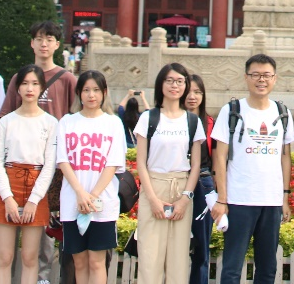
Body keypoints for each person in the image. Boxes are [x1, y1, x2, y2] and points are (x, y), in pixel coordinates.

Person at [0, 20, 78, 284]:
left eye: (49, 39)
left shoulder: (67, 79)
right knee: (8, 247)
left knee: (43, 235)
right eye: (39, 39)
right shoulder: (18, 78)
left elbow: (75, 120)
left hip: (51, 167)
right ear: (32, 43)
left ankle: (41, 279)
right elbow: (4, 116)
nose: (44, 44)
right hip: (16, 166)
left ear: (57, 44)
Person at [211, 54, 294, 284]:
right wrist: (222, 199)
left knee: (267, 268)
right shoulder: (232, 110)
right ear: (246, 77)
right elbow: (220, 156)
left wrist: (284, 197)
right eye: (255, 75)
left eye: (267, 75)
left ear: (275, 78)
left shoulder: (282, 112)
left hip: (271, 201)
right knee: (232, 267)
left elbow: (285, 157)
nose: (261, 80)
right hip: (239, 199)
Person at [135, 63, 205, 284]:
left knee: (178, 261)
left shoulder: (192, 121)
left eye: (180, 81)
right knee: (149, 258)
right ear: (161, 84)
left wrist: (185, 199)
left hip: (181, 188)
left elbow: (195, 165)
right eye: (170, 80)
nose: (175, 85)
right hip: (154, 186)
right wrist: (153, 199)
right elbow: (141, 162)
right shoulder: (149, 118)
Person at [0, 65, 58, 284]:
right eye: (25, 83)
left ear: (42, 88)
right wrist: (7, 198)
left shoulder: (51, 123)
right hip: (8, 186)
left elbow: (49, 165)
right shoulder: (6, 121)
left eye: (35, 84)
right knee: (4, 256)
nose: (30, 88)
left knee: (30, 256)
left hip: (36, 188)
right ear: (17, 88)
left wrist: (34, 200)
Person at [57, 71, 125, 284]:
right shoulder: (67, 122)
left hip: (102, 203)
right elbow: (63, 161)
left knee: (97, 261)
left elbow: (113, 163)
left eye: (96, 90)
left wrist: (92, 196)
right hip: (73, 201)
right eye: (86, 90)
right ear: (79, 93)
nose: (91, 95)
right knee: (79, 262)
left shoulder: (113, 123)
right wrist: (80, 194)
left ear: (104, 93)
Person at [185, 74, 215, 284]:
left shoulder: (210, 123)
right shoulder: (169, 121)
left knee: (201, 248)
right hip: (175, 181)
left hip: (203, 183)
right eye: (188, 91)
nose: (192, 96)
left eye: (197, 92)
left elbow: (218, 160)